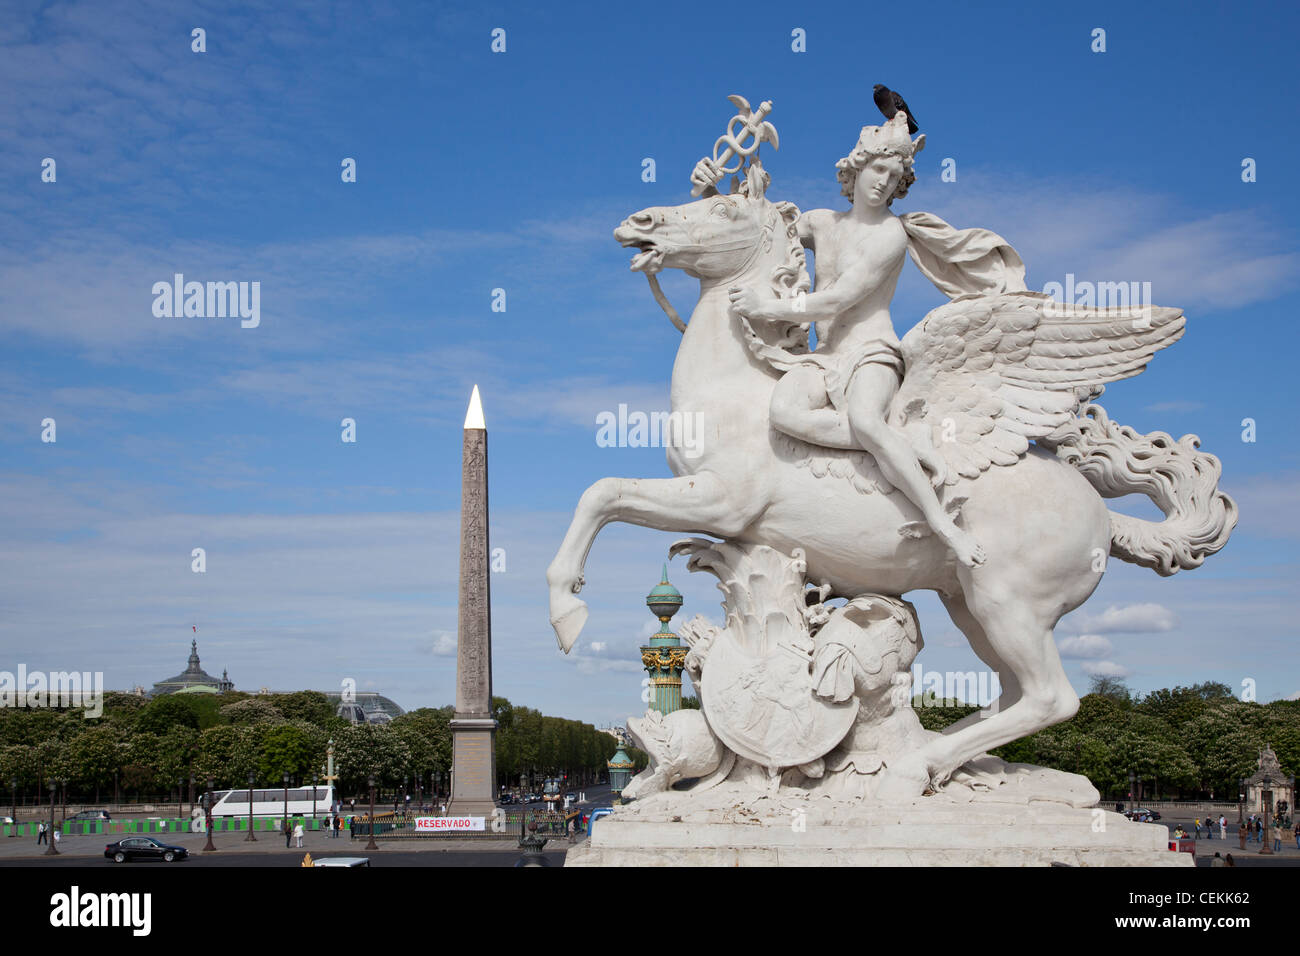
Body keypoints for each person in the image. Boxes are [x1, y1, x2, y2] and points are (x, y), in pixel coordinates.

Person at [716, 112, 994, 568]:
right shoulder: (821, 222)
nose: (884, 182)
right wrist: (721, 188)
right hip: (824, 357)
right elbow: (759, 229)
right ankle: (902, 443)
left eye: (895, 176)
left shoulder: (891, 235)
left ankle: (943, 524)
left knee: (865, 419)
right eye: (878, 170)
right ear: (856, 168)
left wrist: (771, 308)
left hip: (872, 353)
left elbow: (838, 299)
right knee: (782, 411)